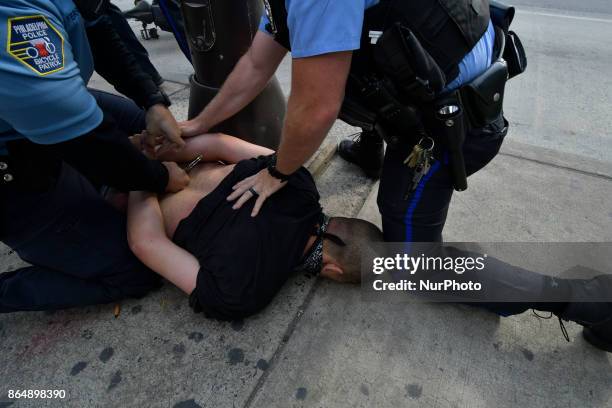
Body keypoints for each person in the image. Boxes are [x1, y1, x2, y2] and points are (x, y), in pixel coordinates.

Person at [177, 1, 612, 351]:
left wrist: (279, 172)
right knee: (358, 65)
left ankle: (585, 299)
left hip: (450, 125)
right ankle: (373, 148)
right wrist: (198, 125)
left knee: (413, 263)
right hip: (425, 84)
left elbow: (317, 107)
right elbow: (256, 64)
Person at [0, 0, 189, 312]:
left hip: (40, 104)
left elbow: (98, 26)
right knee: (133, 269)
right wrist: (159, 178)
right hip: (12, 165)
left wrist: (151, 100)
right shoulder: (13, 16)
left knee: (140, 126)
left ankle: (94, 187)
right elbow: (87, 140)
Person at [127, 133, 383, 320]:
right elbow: (145, 242)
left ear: (344, 220)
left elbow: (219, 143)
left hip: (154, 148)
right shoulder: (244, 292)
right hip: (129, 190)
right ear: (334, 271)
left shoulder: (298, 178)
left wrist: (150, 157)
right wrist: (137, 174)